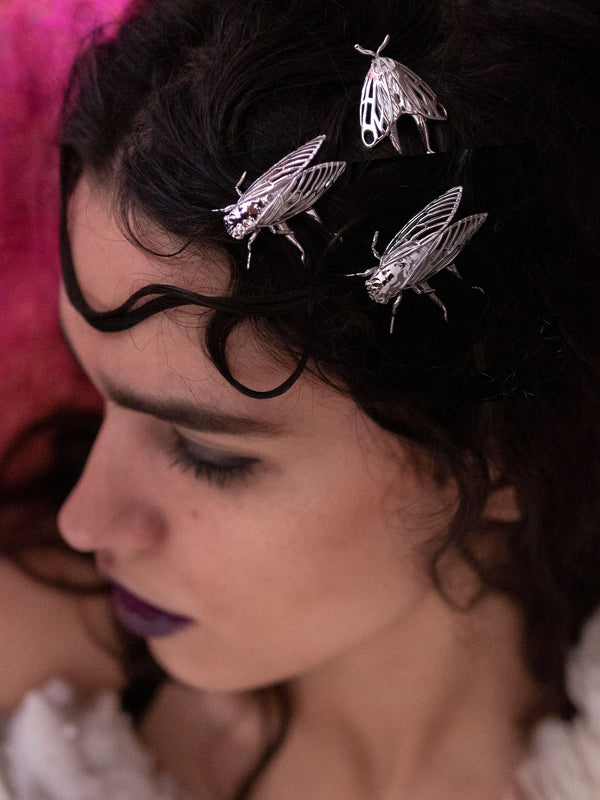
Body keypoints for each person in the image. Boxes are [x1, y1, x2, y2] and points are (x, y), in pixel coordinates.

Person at [48, 0, 600, 797]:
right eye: (96, 393)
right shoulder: (34, 661)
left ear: (505, 454)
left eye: (208, 454)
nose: (81, 522)